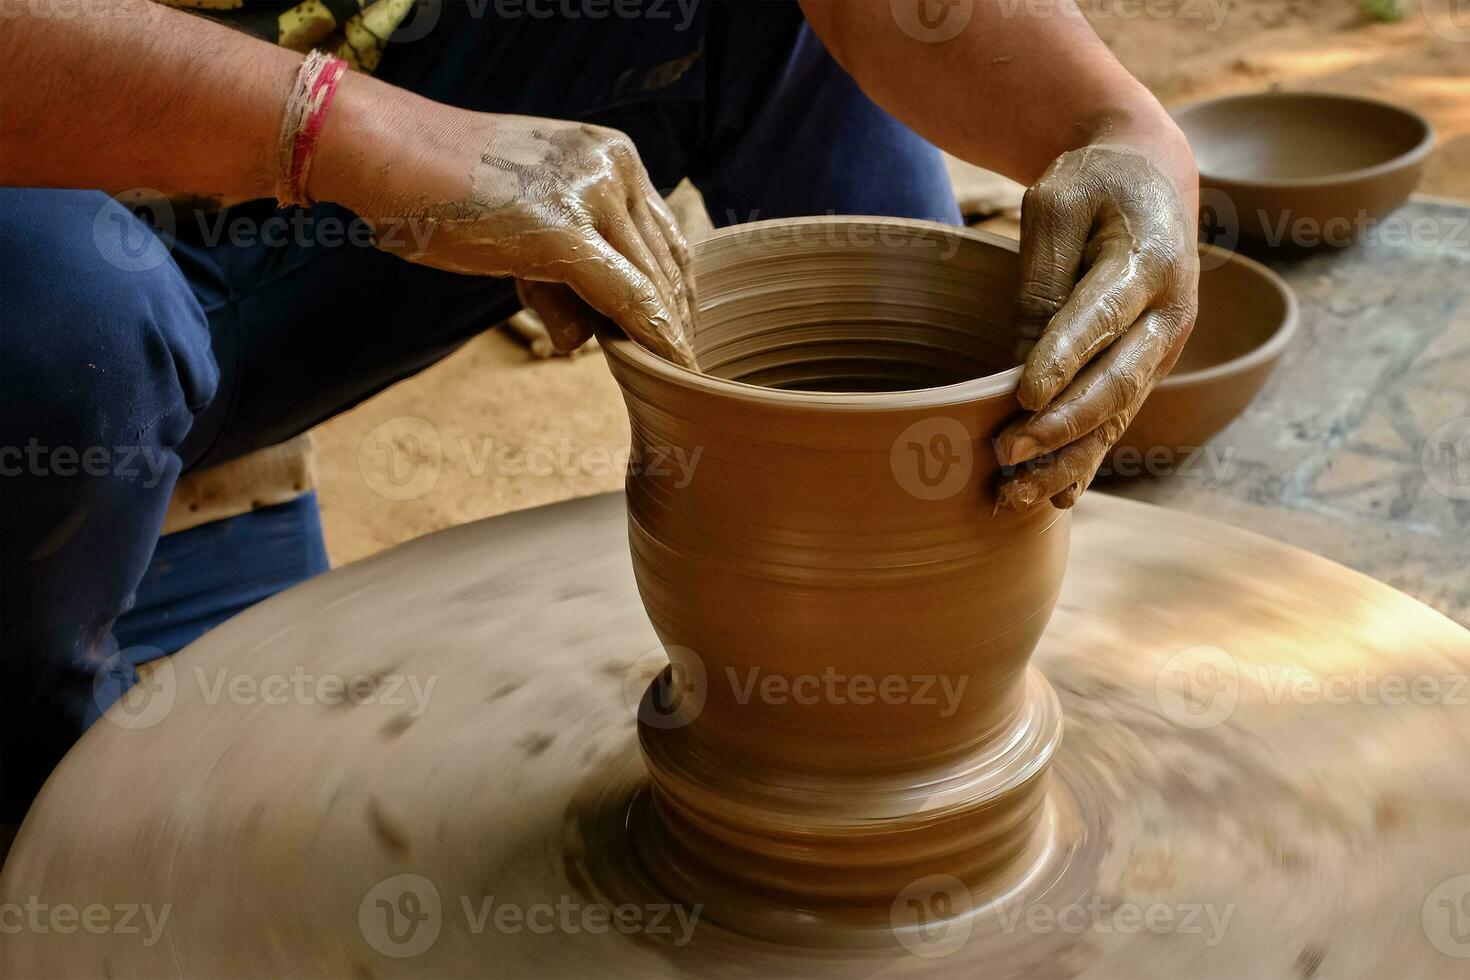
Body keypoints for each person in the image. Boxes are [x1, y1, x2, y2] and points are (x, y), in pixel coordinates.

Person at [0, 0, 1199, 822]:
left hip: (297, 218)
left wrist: (1113, 123)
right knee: (66, 321)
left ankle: (911, 575)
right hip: (56, 250)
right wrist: (350, 130)